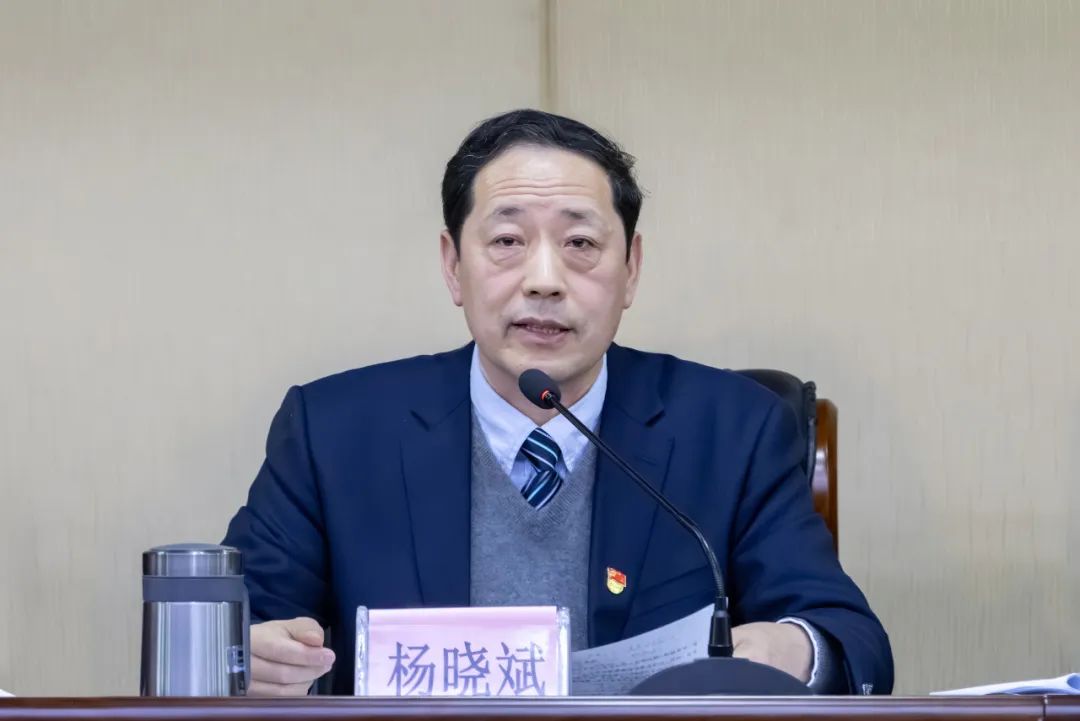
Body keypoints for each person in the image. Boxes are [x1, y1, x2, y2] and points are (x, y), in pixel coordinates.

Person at [222, 109, 893, 696]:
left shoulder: (733, 429)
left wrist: (792, 649)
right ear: (453, 266)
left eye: (580, 244)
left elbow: (851, 642)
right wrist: (249, 657)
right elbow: (231, 630)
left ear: (631, 269)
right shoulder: (334, 432)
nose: (544, 280)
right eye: (507, 242)